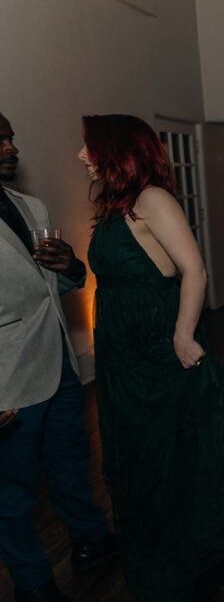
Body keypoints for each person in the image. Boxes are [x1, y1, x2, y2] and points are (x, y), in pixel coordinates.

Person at [79, 114, 224, 600]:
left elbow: (194, 270)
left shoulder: (151, 200)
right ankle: (155, 554)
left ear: (117, 151)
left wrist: (183, 335)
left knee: (171, 460)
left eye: (89, 148)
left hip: (159, 354)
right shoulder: (117, 208)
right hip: (121, 357)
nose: (81, 157)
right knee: (131, 461)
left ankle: (187, 560)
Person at [0, 112, 115, 602]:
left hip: (60, 362)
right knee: (11, 493)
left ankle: (91, 539)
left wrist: (71, 266)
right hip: (8, 380)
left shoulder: (30, 205)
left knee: (70, 462)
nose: (11, 147)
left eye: (9, 136)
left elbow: (55, 286)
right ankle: (33, 583)